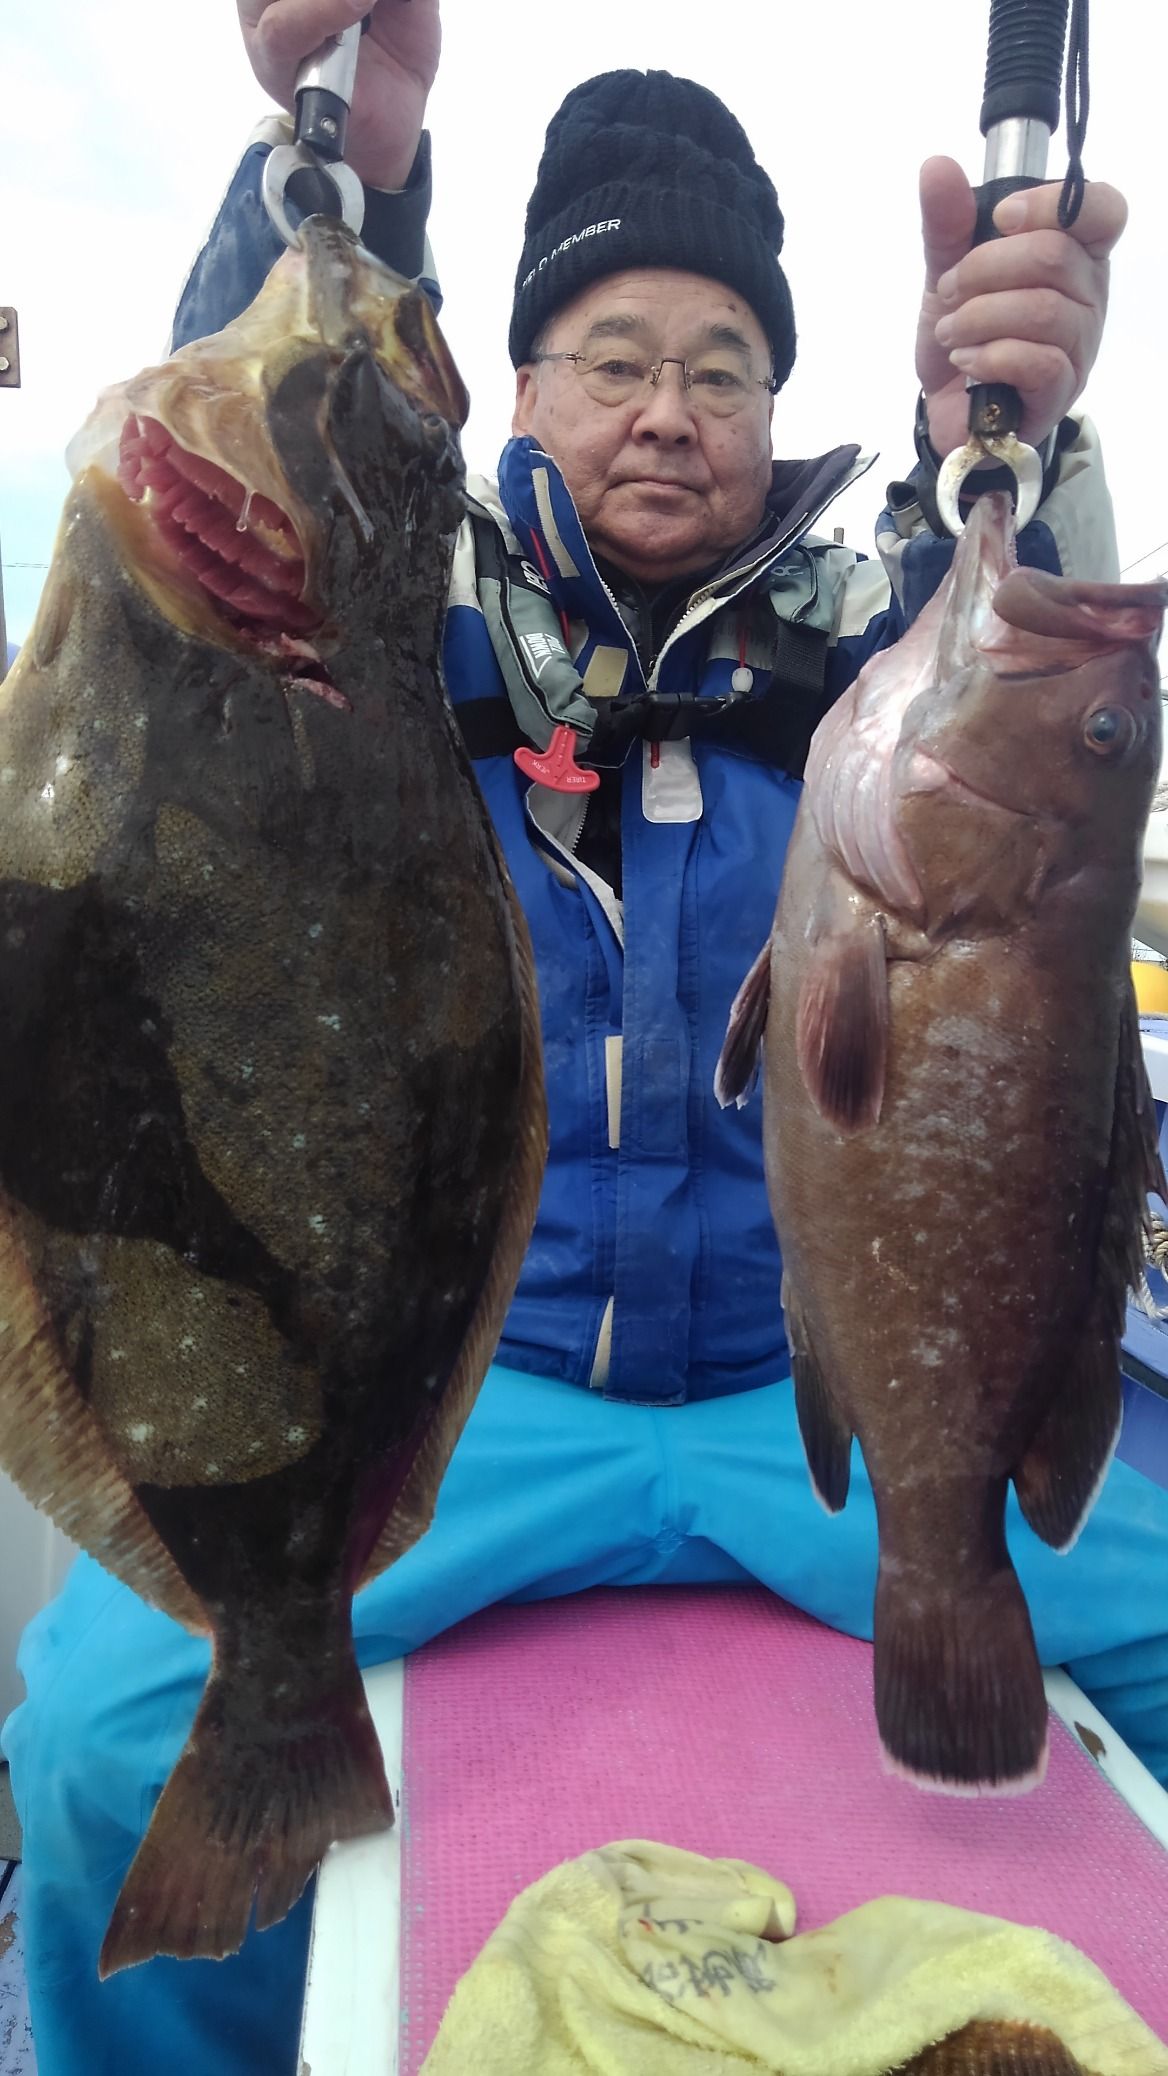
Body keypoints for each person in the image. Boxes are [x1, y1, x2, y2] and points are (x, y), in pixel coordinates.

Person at [6, 7, 1168, 2073]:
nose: (666, 413)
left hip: (794, 1412)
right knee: (99, 1746)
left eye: (721, 367)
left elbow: (1029, 711)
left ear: (775, 403)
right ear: (522, 383)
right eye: (611, 357)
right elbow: (247, 526)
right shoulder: (402, 613)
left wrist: (1012, 426)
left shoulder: (883, 642)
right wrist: (350, 180)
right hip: (470, 1416)